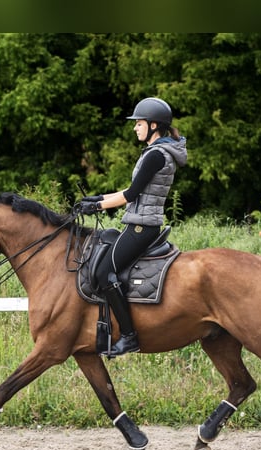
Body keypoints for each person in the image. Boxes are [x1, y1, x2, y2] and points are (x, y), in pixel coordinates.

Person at [79, 97, 188, 357]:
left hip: (142, 228)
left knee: (105, 273)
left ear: (153, 126)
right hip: (137, 223)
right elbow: (132, 192)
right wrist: (98, 199)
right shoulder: (155, 153)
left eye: (138, 124)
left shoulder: (156, 156)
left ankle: (128, 336)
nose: (135, 128)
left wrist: (96, 207)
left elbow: (130, 195)